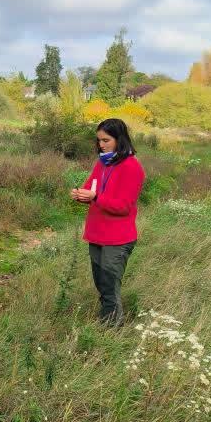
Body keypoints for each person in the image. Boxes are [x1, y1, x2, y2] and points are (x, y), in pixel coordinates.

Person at [70, 118, 145, 326]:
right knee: (102, 284)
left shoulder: (132, 167)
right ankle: (108, 322)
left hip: (118, 238)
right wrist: (80, 194)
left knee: (110, 286)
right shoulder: (103, 163)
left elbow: (123, 207)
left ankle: (111, 329)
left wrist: (94, 197)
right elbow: (90, 189)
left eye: (106, 140)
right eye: (99, 141)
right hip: (97, 234)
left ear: (120, 139)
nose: (101, 145)